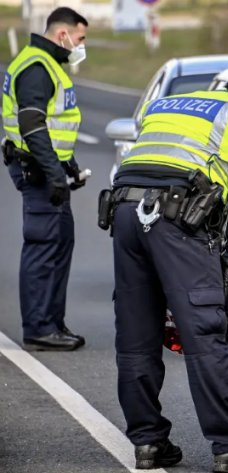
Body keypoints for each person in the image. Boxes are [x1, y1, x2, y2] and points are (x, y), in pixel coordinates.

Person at [108, 59, 228, 472]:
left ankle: (148, 443)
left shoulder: (176, 102)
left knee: (137, 334)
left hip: (124, 212)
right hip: (178, 220)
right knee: (206, 333)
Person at [1, 7, 89, 351]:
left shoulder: (47, 63)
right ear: (62, 34)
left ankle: (52, 322)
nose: (82, 45)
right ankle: (38, 327)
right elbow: (32, 126)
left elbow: (53, 127)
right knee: (42, 246)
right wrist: (54, 173)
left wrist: (67, 166)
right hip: (35, 170)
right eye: (80, 38)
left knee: (60, 242)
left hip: (46, 168)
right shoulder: (37, 67)